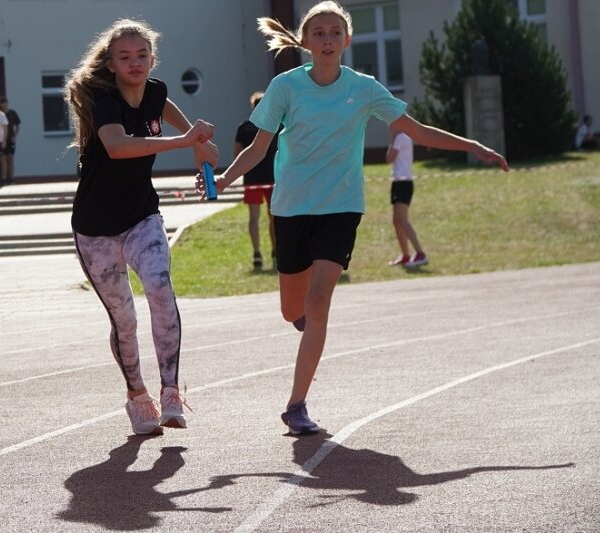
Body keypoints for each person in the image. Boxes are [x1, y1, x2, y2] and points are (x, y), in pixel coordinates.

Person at [198, 0, 508, 435]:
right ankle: (304, 320)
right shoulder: (285, 87)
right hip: (291, 208)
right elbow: (259, 146)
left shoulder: (364, 89)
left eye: (334, 32)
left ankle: (296, 405)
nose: (327, 39)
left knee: (320, 299)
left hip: (341, 207)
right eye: (318, 32)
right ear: (305, 42)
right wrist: (228, 177)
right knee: (293, 310)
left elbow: (416, 130)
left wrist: (472, 145)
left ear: (346, 40)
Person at [65, 18, 218, 436]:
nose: (135, 63)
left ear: (153, 59)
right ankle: (138, 396)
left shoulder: (158, 93)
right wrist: (185, 142)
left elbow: (194, 139)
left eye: (142, 55)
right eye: (125, 57)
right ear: (111, 64)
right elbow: (117, 147)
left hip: (140, 217)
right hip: (95, 227)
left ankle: (171, 392)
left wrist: (203, 153)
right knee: (125, 320)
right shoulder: (103, 98)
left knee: (159, 288)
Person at [234, 91, 278, 269]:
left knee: (254, 217)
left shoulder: (243, 127)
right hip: (271, 176)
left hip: (251, 177)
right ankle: (276, 252)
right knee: (273, 217)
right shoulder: (275, 125)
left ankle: (257, 253)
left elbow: (236, 153)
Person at [385, 130, 427, 268]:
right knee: (397, 221)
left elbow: (389, 158)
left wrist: (392, 140)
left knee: (402, 220)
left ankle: (420, 253)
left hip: (403, 183)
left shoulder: (400, 137)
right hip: (399, 182)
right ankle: (405, 255)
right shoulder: (402, 137)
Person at [0, 96, 21, 185]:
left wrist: (15, 136)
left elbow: (18, 125)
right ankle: (4, 179)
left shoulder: (12, 113)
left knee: (10, 158)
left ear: (7, 104)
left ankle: (11, 179)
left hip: (10, 139)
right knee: (3, 159)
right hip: (1, 139)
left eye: (5, 103)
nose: (3, 105)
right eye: (2, 103)